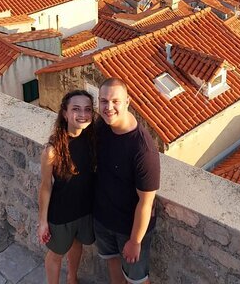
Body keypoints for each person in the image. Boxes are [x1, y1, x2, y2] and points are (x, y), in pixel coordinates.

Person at [94, 77, 161, 284]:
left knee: (137, 279)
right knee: (112, 262)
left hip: (129, 228)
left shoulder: (143, 150)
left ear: (127, 102)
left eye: (115, 101)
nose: (109, 107)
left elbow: (146, 202)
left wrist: (135, 241)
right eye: (104, 101)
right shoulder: (102, 125)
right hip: (103, 219)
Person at [38, 90, 96, 284]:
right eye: (76, 109)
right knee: (55, 255)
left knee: (77, 244)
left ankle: (72, 278)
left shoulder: (92, 139)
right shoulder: (52, 150)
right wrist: (43, 222)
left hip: (85, 210)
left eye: (88, 109)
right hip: (61, 214)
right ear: (64, 113)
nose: (83, 114)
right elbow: (45, 186)